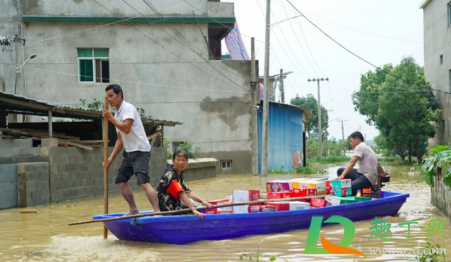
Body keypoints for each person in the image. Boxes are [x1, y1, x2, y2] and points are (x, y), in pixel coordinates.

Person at [102, 84, 160, 215]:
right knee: (120, 181)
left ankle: (157, 211)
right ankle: (134, 209)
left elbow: (126, 128)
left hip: (141, 150)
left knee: (143, 182)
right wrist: (111, 158)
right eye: (107, 97)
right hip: (129, 153)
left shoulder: (128, 108)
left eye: (111, 96)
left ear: (120, 95)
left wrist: (110, 118)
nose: (109, 99)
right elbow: (120, 139)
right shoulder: (117, 114)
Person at [157, 150, 213, 219]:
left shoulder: (179, 174)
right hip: (167, 208)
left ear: (187, 162)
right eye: (178, 160)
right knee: (195, 210)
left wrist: (203, 201)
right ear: (173, 161)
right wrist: (194, 210)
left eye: (183, 160)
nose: (181, 162)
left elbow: (187, 192)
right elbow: (181, 194)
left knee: (196, 207)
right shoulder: (170, 174)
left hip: (176, 204)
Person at [335, 131, 386, 195]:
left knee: (348, 187)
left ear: (357, 139)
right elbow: (378, 164)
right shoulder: (367, 147)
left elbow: (352, 162)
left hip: (367, 177)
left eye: (351, 141)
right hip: (362, 174)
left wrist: (342, 175)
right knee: (340, 170)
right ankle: (354, 186)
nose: (350, 143)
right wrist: (382, 172)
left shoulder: (360, 146)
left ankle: (352, 193)